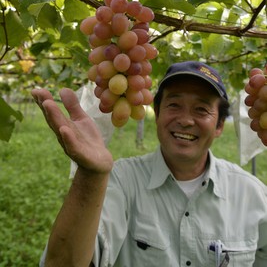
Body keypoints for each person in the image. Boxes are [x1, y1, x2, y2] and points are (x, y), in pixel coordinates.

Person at [32, 61, 267, 267]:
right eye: (174, 105)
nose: (185, 120)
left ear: (218, 126)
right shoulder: (119, 181)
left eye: (201, 109)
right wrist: (91, 175)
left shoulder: (254, 195)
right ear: (157, 114)